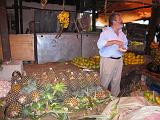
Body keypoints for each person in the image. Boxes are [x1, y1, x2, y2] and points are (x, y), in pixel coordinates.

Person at [97, 12, 128, 96]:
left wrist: (123, 49)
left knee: (116, 81)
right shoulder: (106, 32)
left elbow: (125, 45)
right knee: (104, 82)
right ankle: (101, 99)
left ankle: (114, 100)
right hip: (108, 61)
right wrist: (114, 41)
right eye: (120, 20)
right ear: (113, 22)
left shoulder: (122, 34)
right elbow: (99, 45)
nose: (122, 22)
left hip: (119, 60)